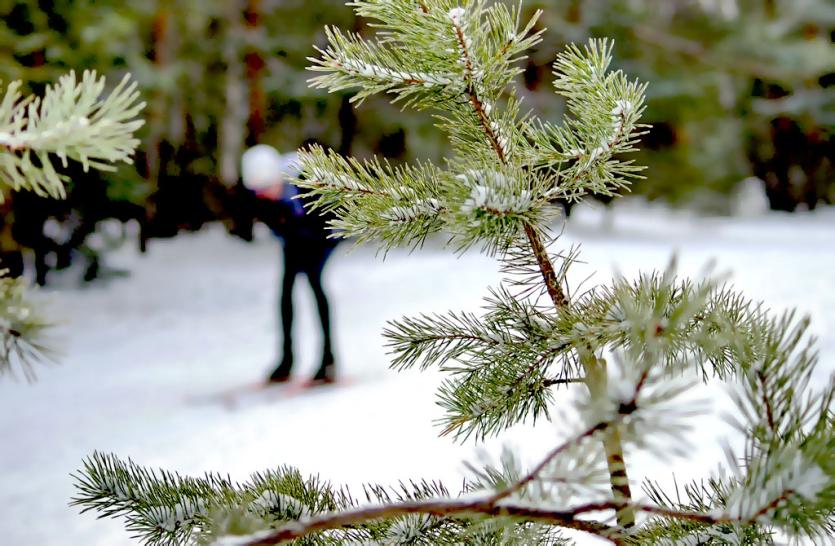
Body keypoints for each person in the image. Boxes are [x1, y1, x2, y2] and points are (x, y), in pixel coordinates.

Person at [241, 144, 339, 384]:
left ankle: (328, 359)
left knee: (315, 282)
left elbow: (327, 220)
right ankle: (286, 359)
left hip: (327, 230)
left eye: (267, 188)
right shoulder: (260, 195)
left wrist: (305, 246)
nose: (264, 194)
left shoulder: (309, 180)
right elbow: (276, 224)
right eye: (258, 190)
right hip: (296, 234)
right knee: (286, 289)